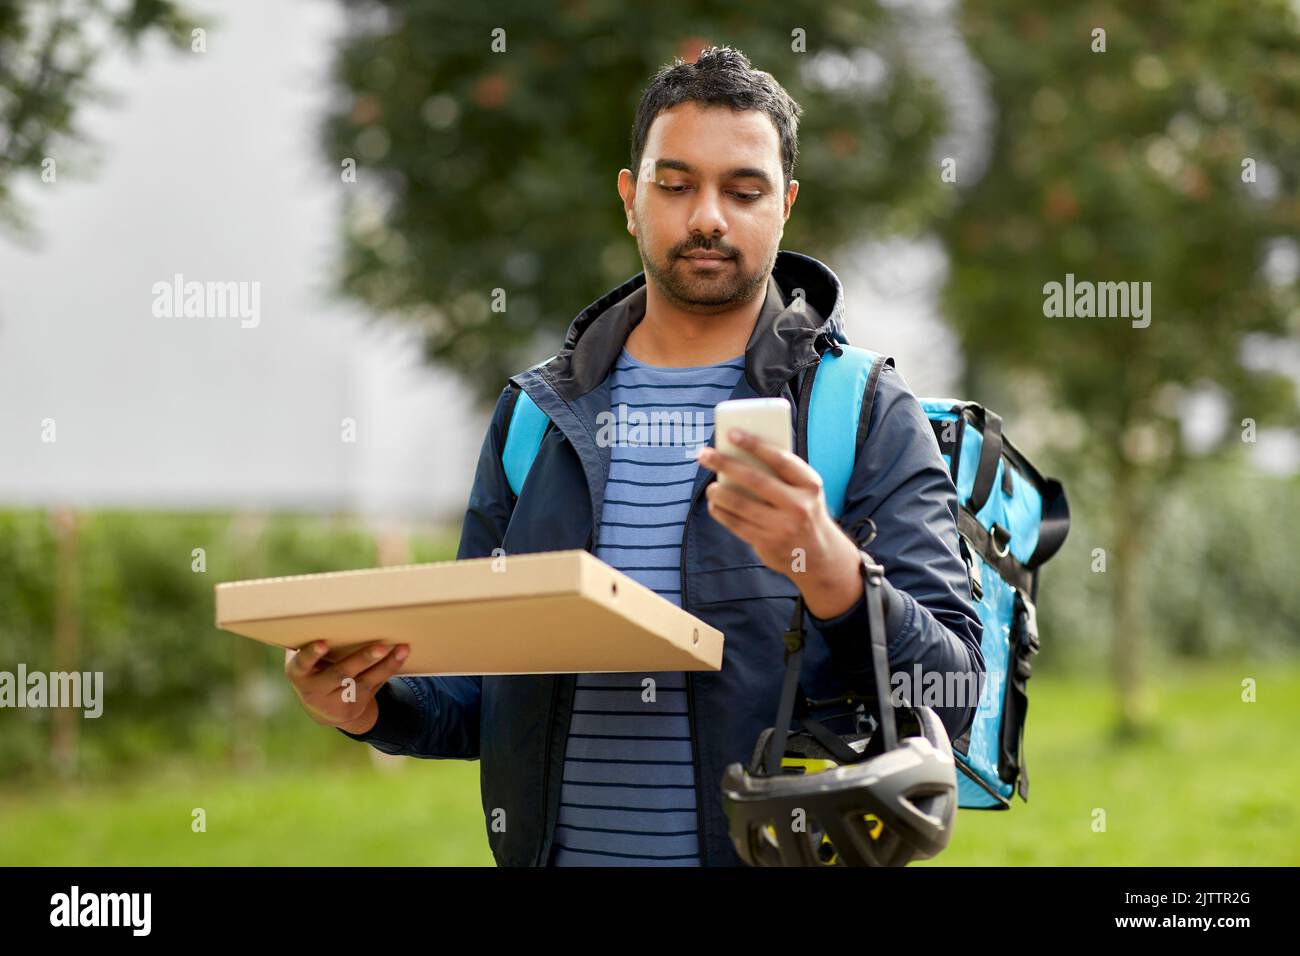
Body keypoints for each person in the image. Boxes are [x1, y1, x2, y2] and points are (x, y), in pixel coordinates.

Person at [286, 46, 984, 867]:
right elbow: (486, 697)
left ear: (786, 205)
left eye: (744, 189)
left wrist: (830, 567)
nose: (708, 217)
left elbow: (953, 691)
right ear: (630, 197)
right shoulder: (534, 418)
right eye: (676, 183)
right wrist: (369, 706)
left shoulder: (861, 410)